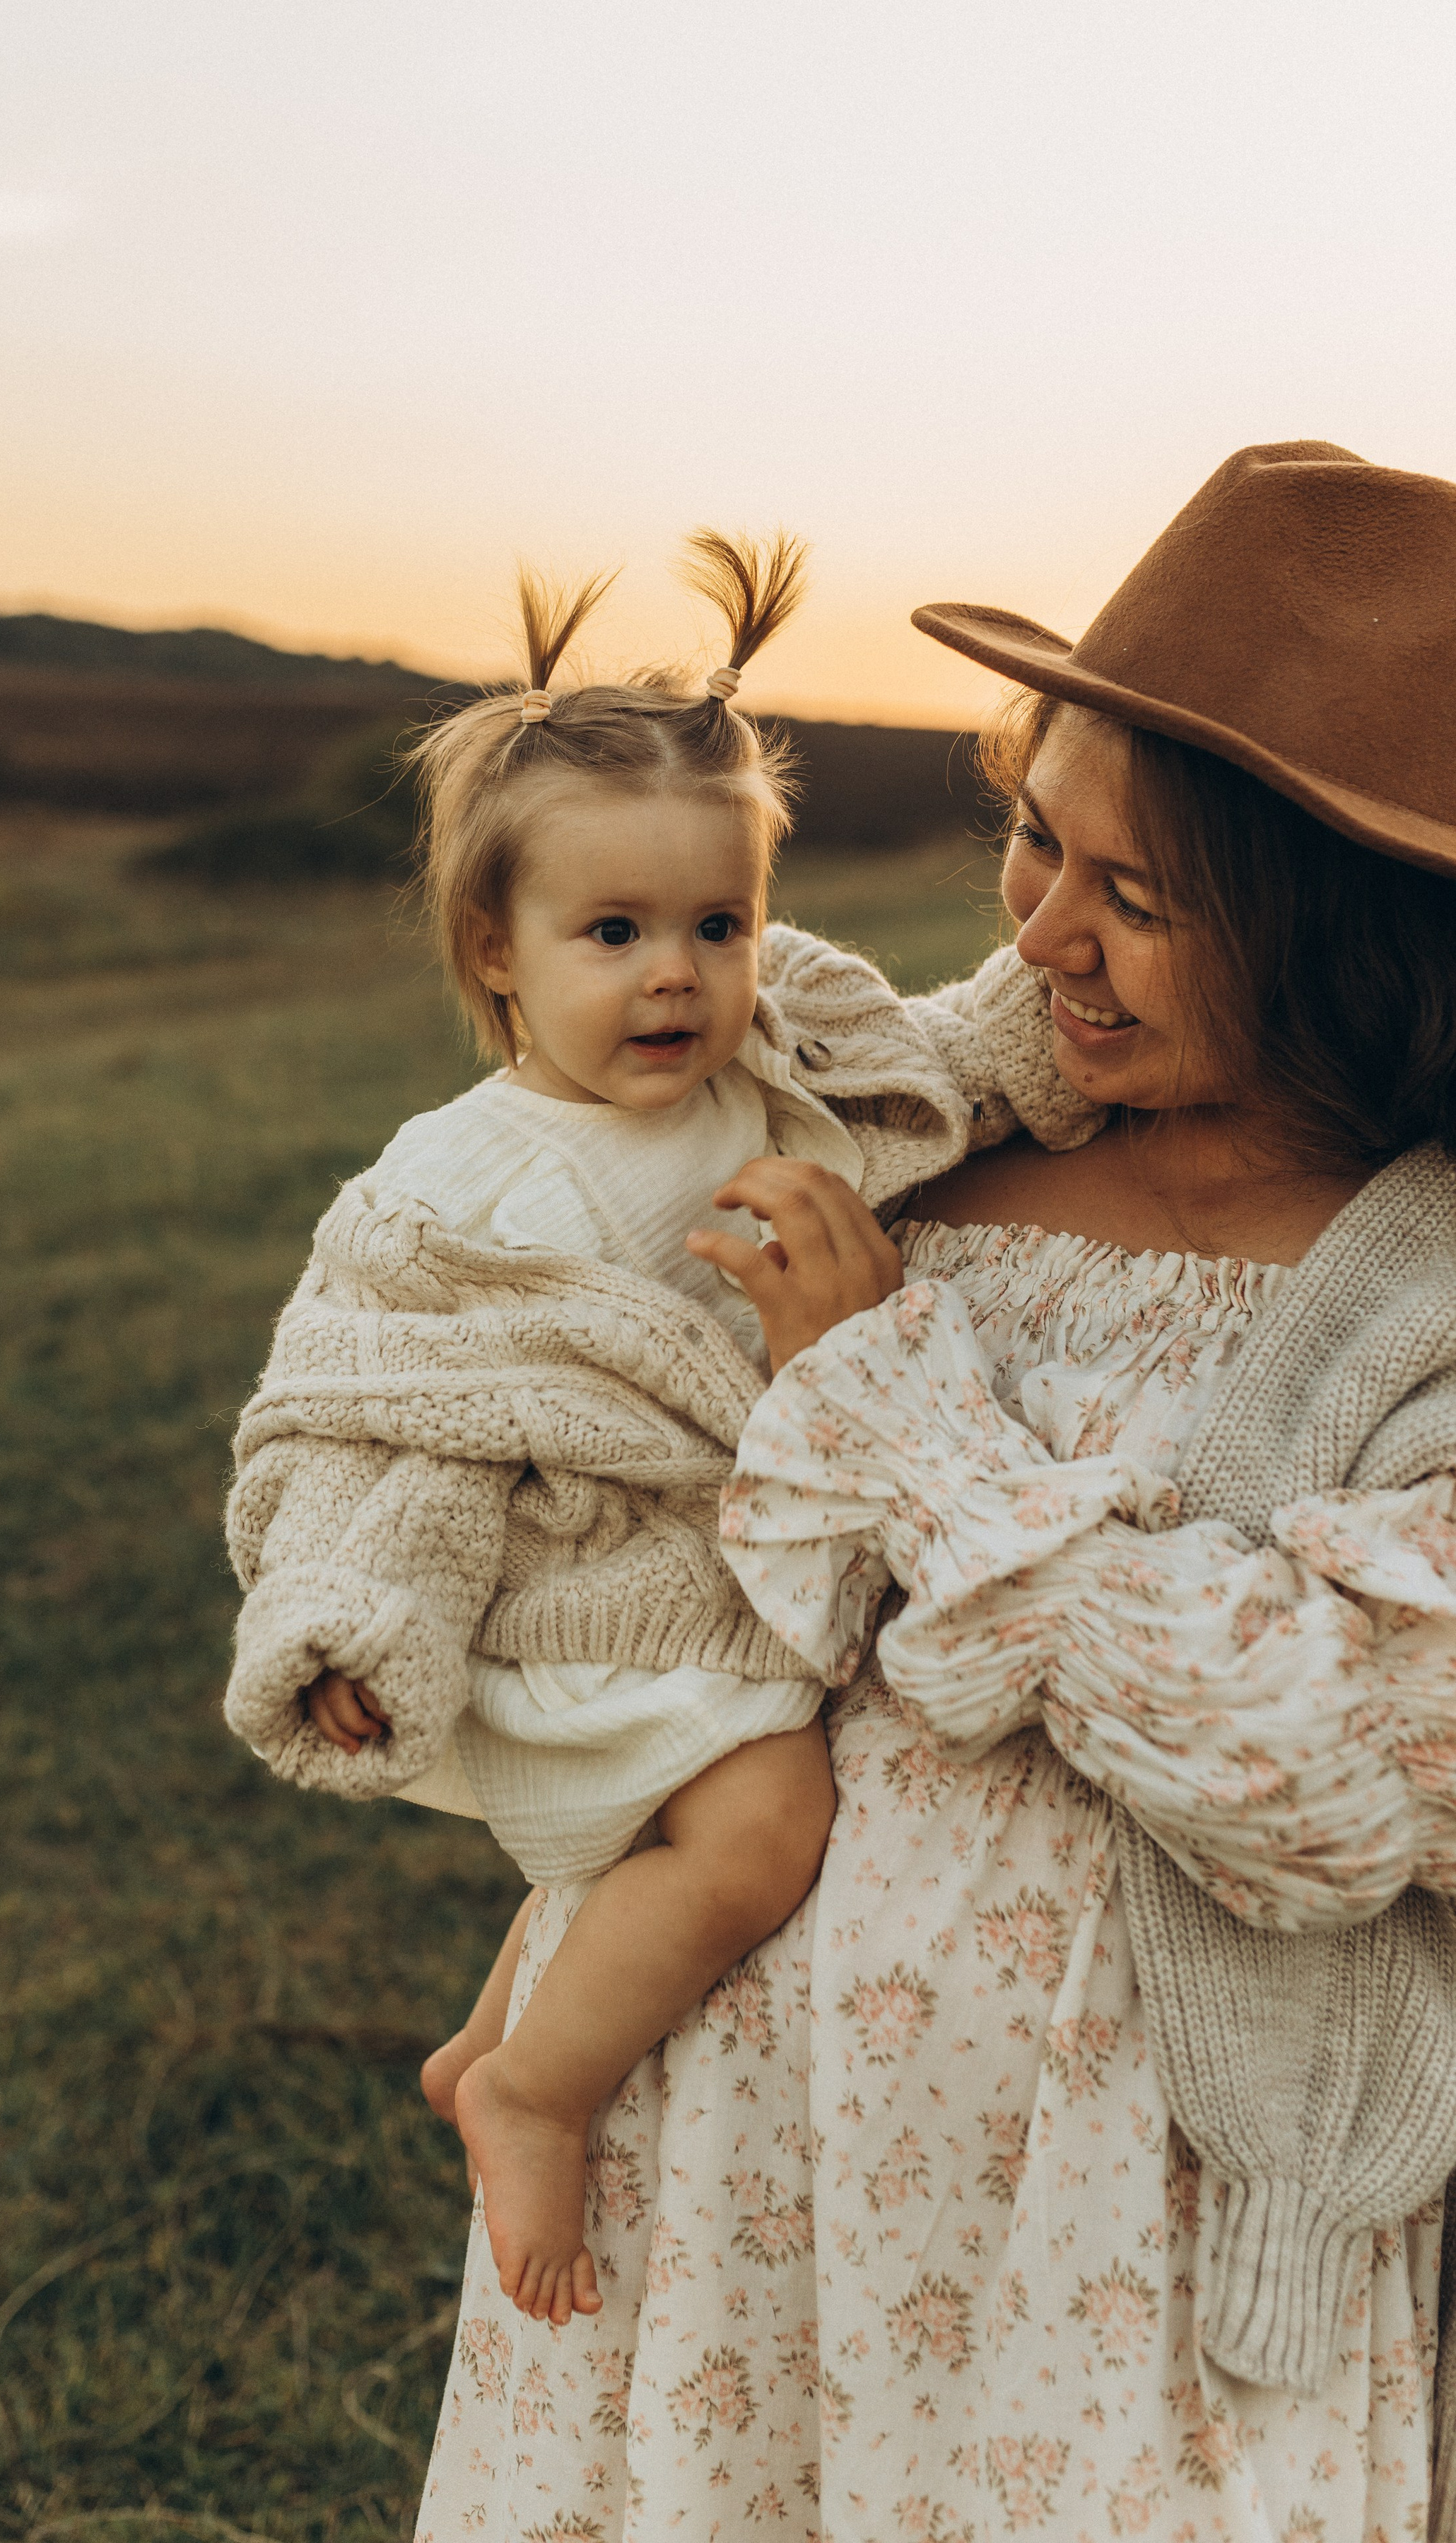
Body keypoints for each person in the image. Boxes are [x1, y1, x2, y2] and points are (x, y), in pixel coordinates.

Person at [417, 441, 1456, 2542]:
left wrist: (891, 1401)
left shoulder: (1420, 1289)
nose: (1049, 931)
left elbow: (1315, 1766)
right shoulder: (929, 1125)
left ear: (1343, 941)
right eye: (1030, 839)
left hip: (1112, 2235)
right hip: (723, 2137)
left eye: (1139, 901)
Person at [223, 534, 1060, 2330]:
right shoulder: (471, 1182)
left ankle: (484, 2038)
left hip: (709, 1560)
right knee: (757, 1824)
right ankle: (538, 2086)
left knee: (649, 1843)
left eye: (717, 925)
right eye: (610, 935)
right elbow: (396, 1417)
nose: (674, 976)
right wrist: (360, 1620)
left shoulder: (763, 1072)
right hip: (579, 1589)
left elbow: (942, 1070)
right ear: (495, 951)